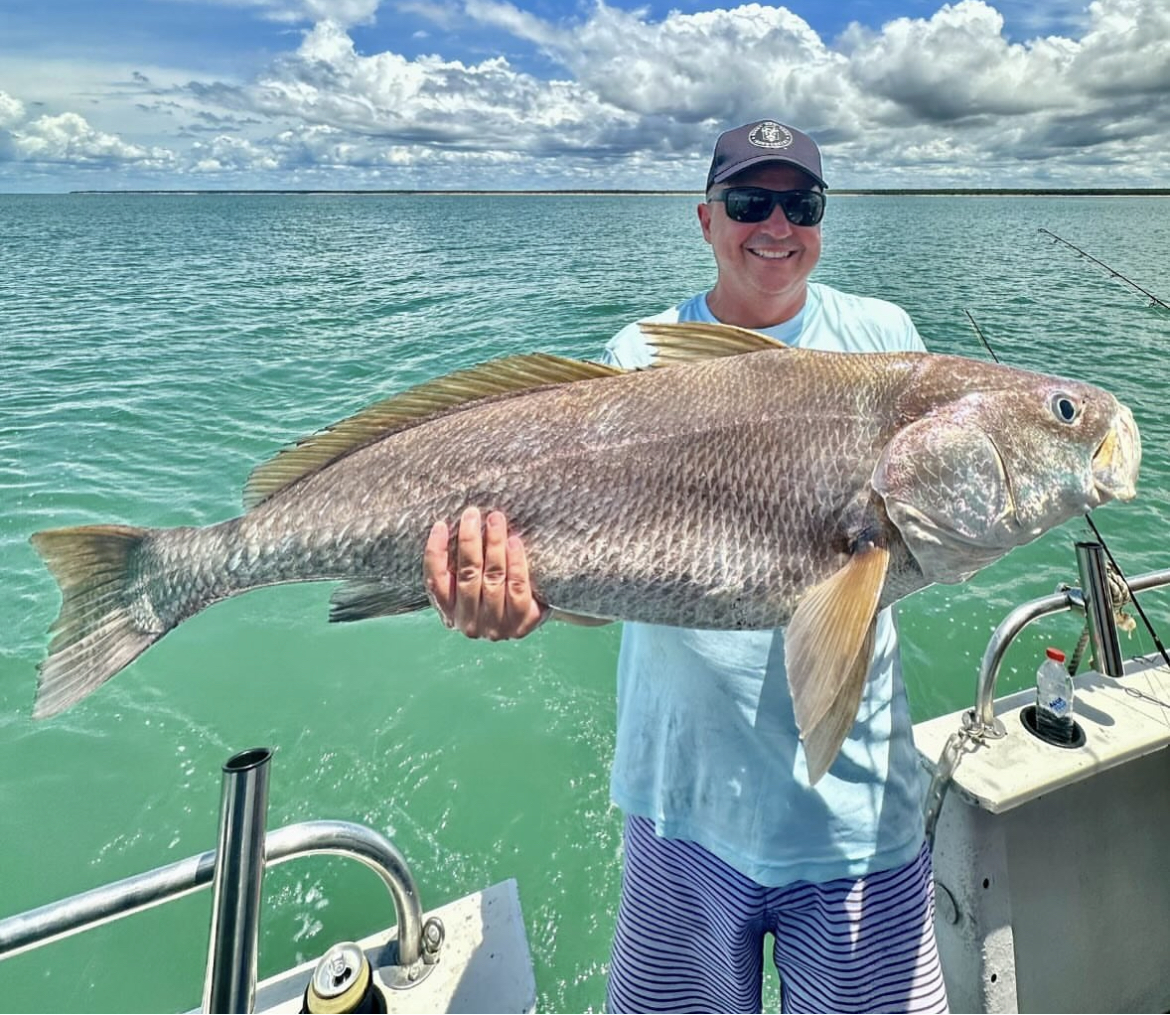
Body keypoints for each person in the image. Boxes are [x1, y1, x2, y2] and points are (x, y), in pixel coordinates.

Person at [422, 119, 949, 1014]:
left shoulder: (885, 341)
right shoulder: (639, 355)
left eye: (801, 203)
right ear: (706, 218)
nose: (776, 225)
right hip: (681, 808)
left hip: (857, 820)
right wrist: (519, 598)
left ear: (822, 218)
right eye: (748, 202)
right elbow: (599, 584)